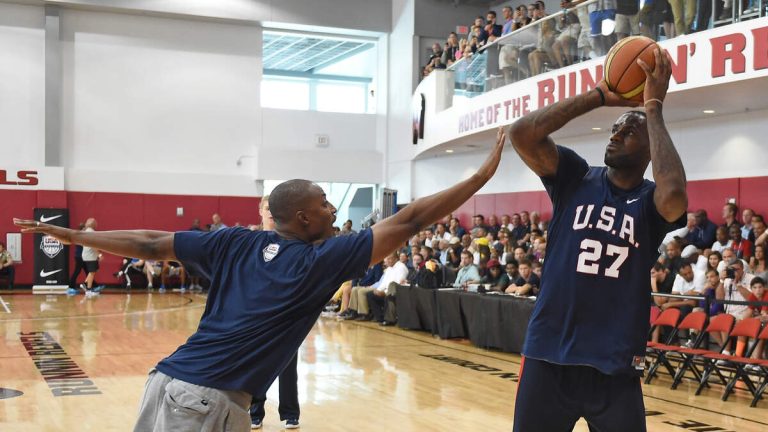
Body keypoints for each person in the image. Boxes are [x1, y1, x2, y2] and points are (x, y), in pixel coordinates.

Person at [14, 129, 506, 432]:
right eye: (324, 204)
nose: (334, 209)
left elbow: (148, 242)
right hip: (206, 400)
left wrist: (73, 233)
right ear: (302, 217)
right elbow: (411, 219)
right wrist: (480, 177)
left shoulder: (233, 241)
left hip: (167, 383)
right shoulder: (322, 261)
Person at [506, 46, 686, 431]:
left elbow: (674, 197)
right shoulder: (574, 177)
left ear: (650, 146)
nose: (616, 134)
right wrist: (599, 96)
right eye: (615, 128)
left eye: (629, 130)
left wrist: (652, 107)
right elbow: (521, 134)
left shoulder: (650, 203)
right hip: (549, 356)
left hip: (616, 365)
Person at [249, 194, 299, 430]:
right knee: (257, 365)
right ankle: (255, 410)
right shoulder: (250, 241)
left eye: (275, 208)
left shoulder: (292, 242)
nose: (271, 212)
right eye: (267, 208)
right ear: (260, 210)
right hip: (257, 314)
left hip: (286, 314)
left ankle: (290, 412)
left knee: (288, 366)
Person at [80, 218, 101, 297]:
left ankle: (85, 284)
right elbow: (94, 245)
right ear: (93, 224)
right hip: (91, 255)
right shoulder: (92, 233)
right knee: (92, 272)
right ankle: (88, 290)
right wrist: (99, 254)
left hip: (85, 254)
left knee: (92, 271)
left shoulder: (85, 232)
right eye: (95, 223)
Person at [69, 222, 87, 289]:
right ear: (83, 228)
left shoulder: (81, 235)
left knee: (88, 271)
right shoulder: (80, 236)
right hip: (79, 256)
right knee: (77, 271)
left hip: (83, 256)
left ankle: (93, 285)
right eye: (85, 228)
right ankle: (71, 287)